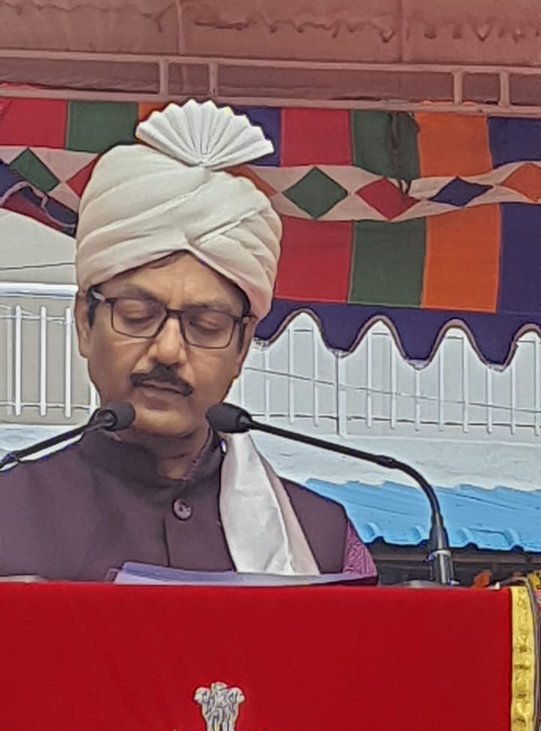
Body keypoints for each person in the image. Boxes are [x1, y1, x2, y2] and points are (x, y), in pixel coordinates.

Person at [0, 100, 376, 583]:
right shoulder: (10, 516)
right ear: (84, 323)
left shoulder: (320, 539)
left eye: (207, 326)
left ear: (242, 347)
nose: (169, 351)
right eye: (137, 315)